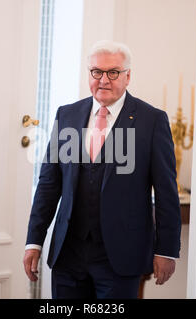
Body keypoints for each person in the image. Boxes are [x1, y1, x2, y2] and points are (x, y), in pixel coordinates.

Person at [23, 40, 181, 299]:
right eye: (97, 71)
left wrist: (166, 250)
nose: (104, 79)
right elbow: (49, 185)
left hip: (121, 257)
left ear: (127, 76)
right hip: (68, 253)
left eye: (113, 72)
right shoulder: (67, 115)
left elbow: (166, 192)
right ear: (89, 74)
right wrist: (34, 241)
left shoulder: (152, 121)